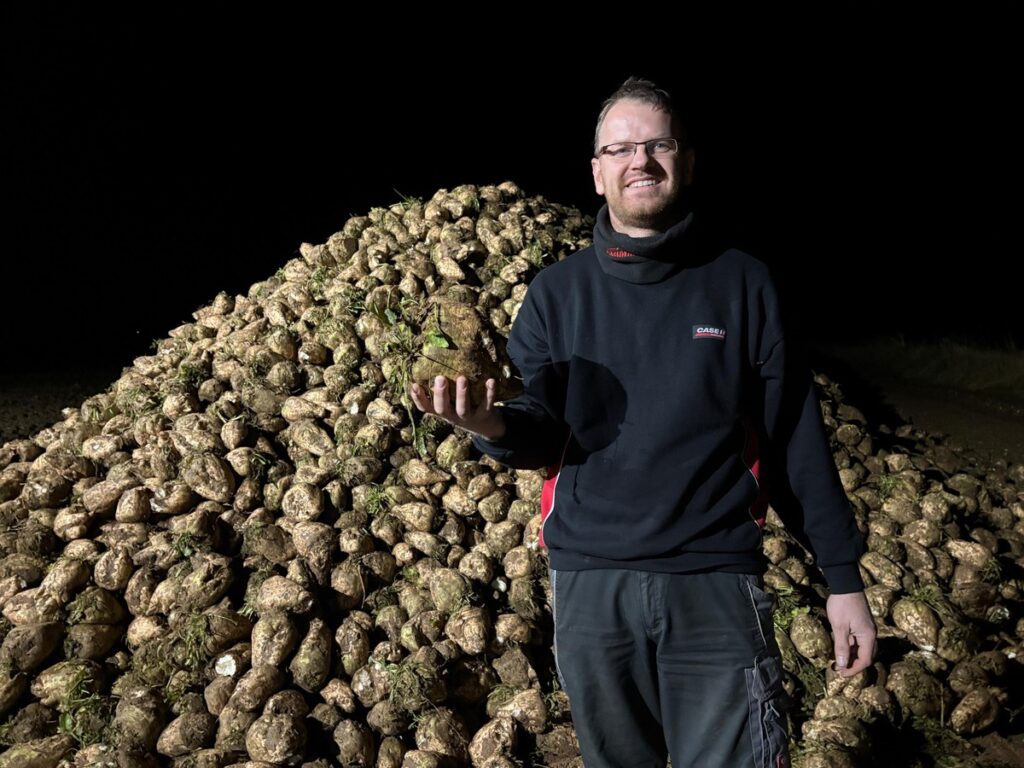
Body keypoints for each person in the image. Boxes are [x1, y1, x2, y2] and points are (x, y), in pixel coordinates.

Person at [410, 76, 876, 768]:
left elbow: (791, 436)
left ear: (687, 160)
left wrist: (842, 579)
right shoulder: (556, 296)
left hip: (715, 578)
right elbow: (539, 428)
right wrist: (490, 424)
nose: (641, 161)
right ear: (597, 173)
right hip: (593, 588)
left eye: (657, 144)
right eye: (621, 148)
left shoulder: (743, 284)